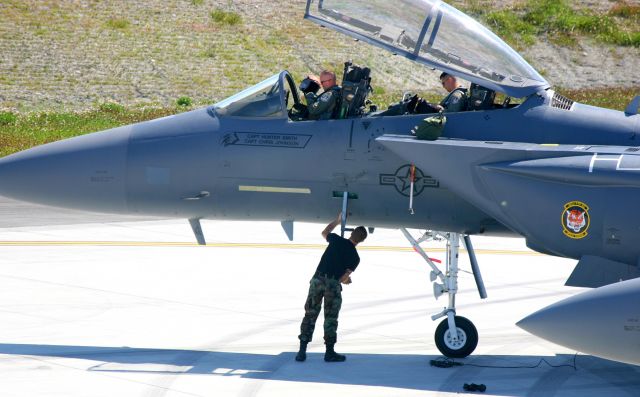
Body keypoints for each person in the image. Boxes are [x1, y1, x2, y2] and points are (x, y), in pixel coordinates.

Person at [295, 213, 368, 362]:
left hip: (318, 280)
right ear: (361, 241)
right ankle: (329, 352)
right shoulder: (355, 258)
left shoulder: (336, 240)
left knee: (310, 314)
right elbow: (344, 277)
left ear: (351, 233)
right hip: (333, 285)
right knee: (330, 318)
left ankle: (302, 351)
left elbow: (325, 232)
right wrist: (346, 280)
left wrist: (337, 220)